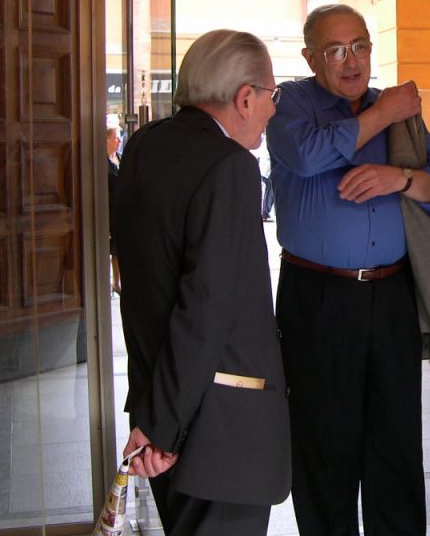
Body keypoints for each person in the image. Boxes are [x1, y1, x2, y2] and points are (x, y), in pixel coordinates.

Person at [266, 3, 430, 536]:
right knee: (324, 441)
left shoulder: (392, 107)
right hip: (318, 294)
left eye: (360, 46)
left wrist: (398, 178)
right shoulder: (291, 103)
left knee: (396, 438)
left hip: (390, 292)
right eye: (335, 50)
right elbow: (307, 156)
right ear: (310, 58)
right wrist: (384, 112)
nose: (351, 61)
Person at [115, 30, 291, 536]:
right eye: (272, 95)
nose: (272, 110)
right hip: (217, 426)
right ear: (245, 97)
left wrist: (155, 419)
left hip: (161, 404)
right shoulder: (230, 166)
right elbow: (206, 309)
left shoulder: (145, 146)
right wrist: (165, 427)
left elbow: (145, 291)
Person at [106, 123, 122, 295]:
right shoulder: (102, 162)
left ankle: (117, 282)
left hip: (120, 209)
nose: (119, 141)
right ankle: (113, 282)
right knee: (112, 245)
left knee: (118, 246)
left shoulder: (118, 157)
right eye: (116, 138)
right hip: (108, 210)